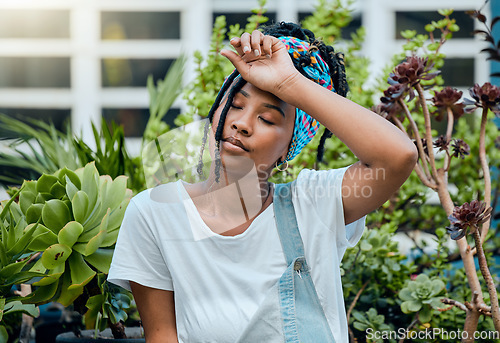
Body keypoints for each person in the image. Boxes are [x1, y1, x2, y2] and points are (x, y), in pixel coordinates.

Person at [108, 22, 417, 343]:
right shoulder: (154, 213)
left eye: (267, 118)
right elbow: (161, 336)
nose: (241, 124)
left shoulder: (314, 205)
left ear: (289, 148)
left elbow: (397, 157)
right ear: (215, 112)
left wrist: (288, 82)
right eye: (235, 105)